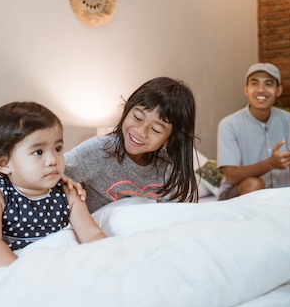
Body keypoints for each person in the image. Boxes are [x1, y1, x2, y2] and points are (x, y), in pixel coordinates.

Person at [0, 102, 106, 269]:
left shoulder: (68, 193)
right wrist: (23, 273)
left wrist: (105, 257)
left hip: (48, 264)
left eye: (58, 148)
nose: (53, 160)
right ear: (4, 163)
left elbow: (91, 233)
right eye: (38, 152)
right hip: (2, 266)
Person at [64, 77, 199, 213]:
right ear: (127, 110)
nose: (141, 132)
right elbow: (53, 172)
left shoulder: (166, 167)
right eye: (137, 118)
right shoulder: (99, 150)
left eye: (155, 130)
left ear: (170, 139)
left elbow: (168, 214)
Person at [217, 63, 290, 200]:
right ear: (246, 89)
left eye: (268, 84)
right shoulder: (229, 125)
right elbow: (231, 177)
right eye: (254, 83)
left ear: (278, 90)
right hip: (236, 197)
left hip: (279, 197)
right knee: (254, 184)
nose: (261, 90)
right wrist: (270, 163)